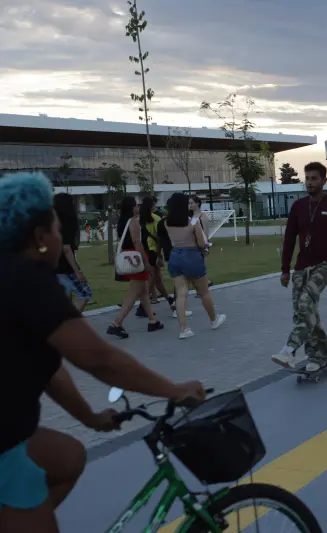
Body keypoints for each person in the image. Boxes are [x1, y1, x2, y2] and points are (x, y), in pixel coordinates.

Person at [0, 172, 205, 533]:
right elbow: (99, 359)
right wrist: (173, 390)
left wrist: (91, 418)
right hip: (4, 442)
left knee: (69, 458)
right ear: (40, 238)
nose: (61, 235)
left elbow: (50, 371)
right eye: (56, 228)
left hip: (12, 432)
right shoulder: (27, 281)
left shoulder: (11, 273)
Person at [272, 162, 327, 371]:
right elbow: (289, 239)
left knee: (306, 304)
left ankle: (289, 350)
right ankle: (317, 356)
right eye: (307, 179)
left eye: (314, 179)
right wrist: (285, 269)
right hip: (301, 266)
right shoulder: (298, 206)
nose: (310, 183)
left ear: (324, 180)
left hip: (324, 265)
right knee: (304, 312)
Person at [165, 194, 226, 339]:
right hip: (191, 255)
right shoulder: (193, 222)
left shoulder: (167, 222)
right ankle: (214, 320)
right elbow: (201, 243)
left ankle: (183, 329)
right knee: (203, 291)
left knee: (181, 292)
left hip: (175, 255)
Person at [107, 196, 163, 339]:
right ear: (132, 208)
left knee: (143, 290)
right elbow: (137, 243)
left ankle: (152, 320)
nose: (138, 207)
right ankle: (117, 323)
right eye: (136, 205)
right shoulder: (133, 222)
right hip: (136, 258)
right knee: (134, 292)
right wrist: (145, 262)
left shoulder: (122, 222)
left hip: (128, 257)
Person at [53, 193, 93, 313]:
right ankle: (70, 320)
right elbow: (66, 249)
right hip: (65, 267)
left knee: (64, 298)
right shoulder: (67, 222)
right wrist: (78, 271)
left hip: (53, 265)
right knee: (85, 293)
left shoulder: (52, 222)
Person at [139, 196, 174, 315]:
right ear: (151, 206)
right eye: (154, 204)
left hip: (145, 250)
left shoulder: (141, 219)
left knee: (157, 278)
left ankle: (169, 299)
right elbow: (160, 237)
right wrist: (160, 255)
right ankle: (142, 305)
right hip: (153, 250)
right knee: (153, 278)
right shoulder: (156, 218)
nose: (156, 206)